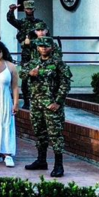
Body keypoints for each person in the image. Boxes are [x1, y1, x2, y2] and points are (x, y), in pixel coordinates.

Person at [23, 37, 73, 177]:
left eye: (46, 46)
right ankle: (41, 160)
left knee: (55, 135)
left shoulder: (58, 63)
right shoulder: (33, 62)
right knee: (39, 132)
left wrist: (58, 102)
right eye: (41, 46)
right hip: (36, 104)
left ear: (52, 47)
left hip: (52, 105)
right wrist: (30, 73)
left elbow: (65, 84)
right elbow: (21, 74)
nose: (43, 48)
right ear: (37, 48)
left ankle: (58, 165)